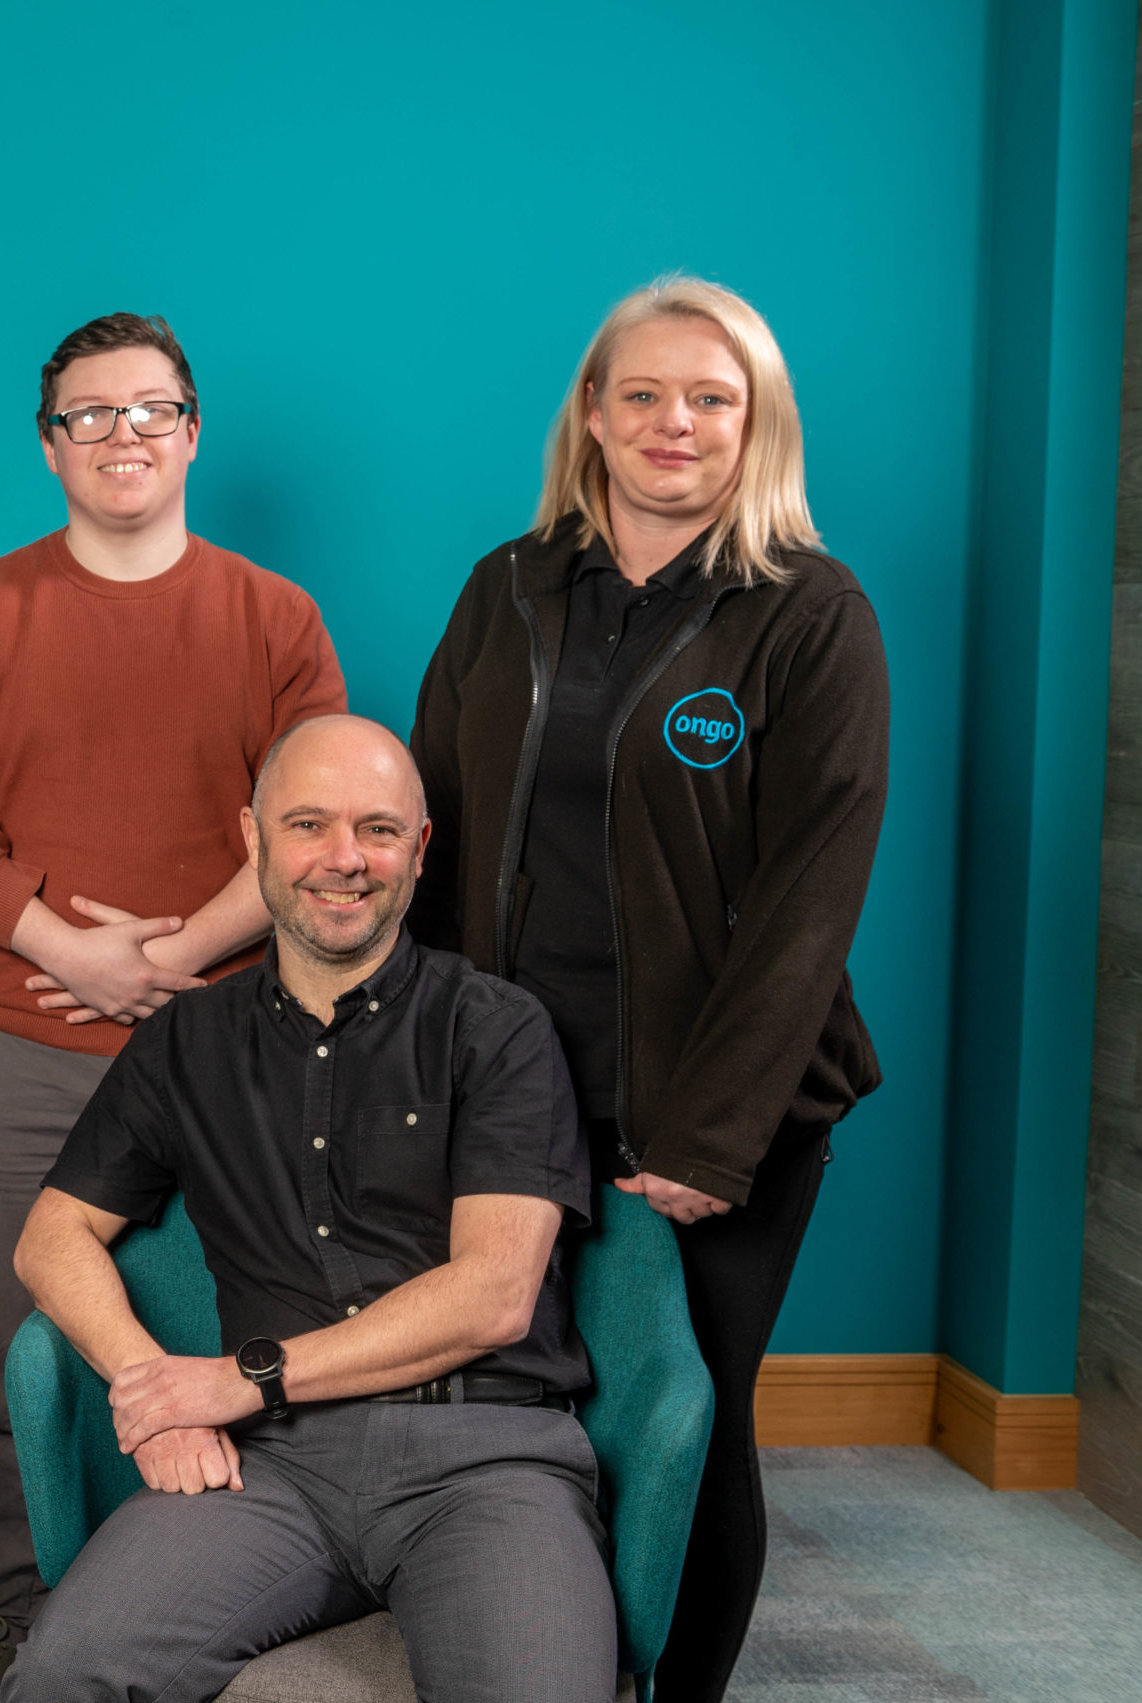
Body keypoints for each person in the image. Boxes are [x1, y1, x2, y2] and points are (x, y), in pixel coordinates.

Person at [409, 275, 888, 1701]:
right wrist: (414, 1060)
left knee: (684, 1412)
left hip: (713, 1113)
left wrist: (708, 1133)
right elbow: (430, 823)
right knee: (520, 1406)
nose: (675, 423)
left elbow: (815, 889)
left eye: (712, 398)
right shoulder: (506, 586)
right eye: (644, 394)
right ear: (594, 417)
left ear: (758, 425)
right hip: (513, 1089)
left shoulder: (809, 612)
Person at [0, 312, 346, 1697]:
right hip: (24, 1043)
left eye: (151, 409)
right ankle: (14, 1615)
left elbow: (318, 820)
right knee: (4, 1350)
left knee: (238, 1333)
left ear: (193, 431)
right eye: (91, 414)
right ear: (49, 445)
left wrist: (174, 955)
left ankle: (204, 1605)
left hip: (238, 1051)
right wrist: (65, 948)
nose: (124, 434)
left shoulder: (275, 616)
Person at [6, 715, 611, 1703]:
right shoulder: (185, 1041)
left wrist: (245, 1377)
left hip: (486, 1454)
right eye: (308, 825)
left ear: (418, 849)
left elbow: (494, 1295)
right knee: (64, 1674)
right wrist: (151, 1383)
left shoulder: (498, 1028)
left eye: (377, 829)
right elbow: (51, 1236)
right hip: (273, 1471)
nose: (343, 859)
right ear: (253, 841)